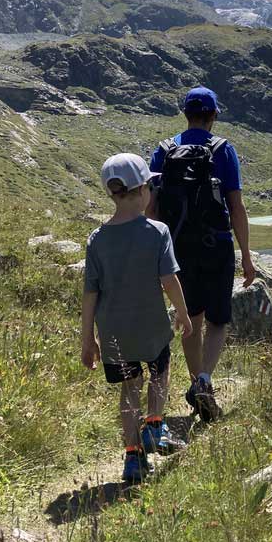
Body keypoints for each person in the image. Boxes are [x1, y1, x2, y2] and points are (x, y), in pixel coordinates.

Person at [81, 152, 193, 483]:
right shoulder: (157, 231)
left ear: (111, 192)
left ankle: (132, 460)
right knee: (160, 372)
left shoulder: (96, 240)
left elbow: (91, 293)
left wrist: (87, 338)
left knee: (130, 389)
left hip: (114, 332)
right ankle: (155, 427)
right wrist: (183, 313)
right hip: (152, 327)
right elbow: (169, 280)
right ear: (143, 190)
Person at [149, 86, 255, 422]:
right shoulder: (223, 150)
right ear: (213, 115)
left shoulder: (164, 150)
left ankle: (197, 383)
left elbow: (151, 209)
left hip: (178, 247)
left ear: (185, 114)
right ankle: (206, 380)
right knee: (218, 320)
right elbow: (236, 207)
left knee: (190, 320)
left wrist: (154, 253)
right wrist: (247, 256)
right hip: (217, 245)